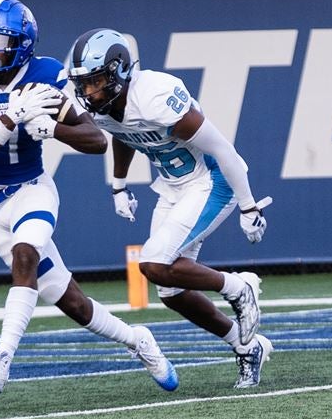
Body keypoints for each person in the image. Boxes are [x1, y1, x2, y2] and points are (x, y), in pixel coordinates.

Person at [0, 0, 178, 397]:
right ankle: (139, 341)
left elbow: (96, 140)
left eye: (0, 44)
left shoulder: (47, 75)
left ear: (22, 46)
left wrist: (50, 128)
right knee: (73, 304)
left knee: (24, 256)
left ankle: (2, 362)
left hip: (32, 190)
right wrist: (9, 117)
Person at [65, 28, 274, 389]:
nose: (88, 92)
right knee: (170, 292)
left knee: (153, 263)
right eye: (83, 84)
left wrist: (248, 205)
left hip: (212, 181)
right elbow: (123, 133)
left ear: (119, 71)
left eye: (96, 81)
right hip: (174, 187)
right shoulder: (103, 107)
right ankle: (247, 346)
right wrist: (118, 184)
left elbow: (223, 150)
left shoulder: (156, 95)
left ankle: (239, 288)